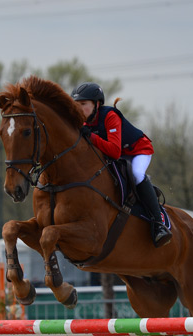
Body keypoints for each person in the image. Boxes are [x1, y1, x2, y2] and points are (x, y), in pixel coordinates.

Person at [71, 82, 172, 247]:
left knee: (137, 175)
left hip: (138, 150)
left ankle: (158, 224)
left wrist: (92, 138)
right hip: (119, 155)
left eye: (83, 104)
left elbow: (114, 151)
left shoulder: (110, 116)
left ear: (96, 105)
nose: (79, 109)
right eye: (76, 105)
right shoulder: (82, 123)